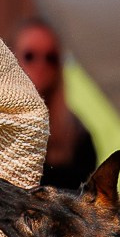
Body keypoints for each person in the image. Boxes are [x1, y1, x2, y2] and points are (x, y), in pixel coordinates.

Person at [11, 17, 99, 191]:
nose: (41, 65)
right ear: (11, 57)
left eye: (51, 58)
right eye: (30, 56)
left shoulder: (77, 136)